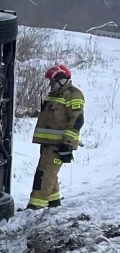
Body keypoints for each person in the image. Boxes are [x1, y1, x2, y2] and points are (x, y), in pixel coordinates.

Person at [29, 64, 85, 210]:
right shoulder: (53, 95)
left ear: (61, 79)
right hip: (48, 143)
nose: (50, 83)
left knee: (43, 174)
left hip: (59, 144)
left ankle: (35, 206)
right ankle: (54, 203)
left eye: (52, 80)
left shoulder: (73, 94)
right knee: (49, 173)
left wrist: (67, 143)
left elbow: (77, 120)